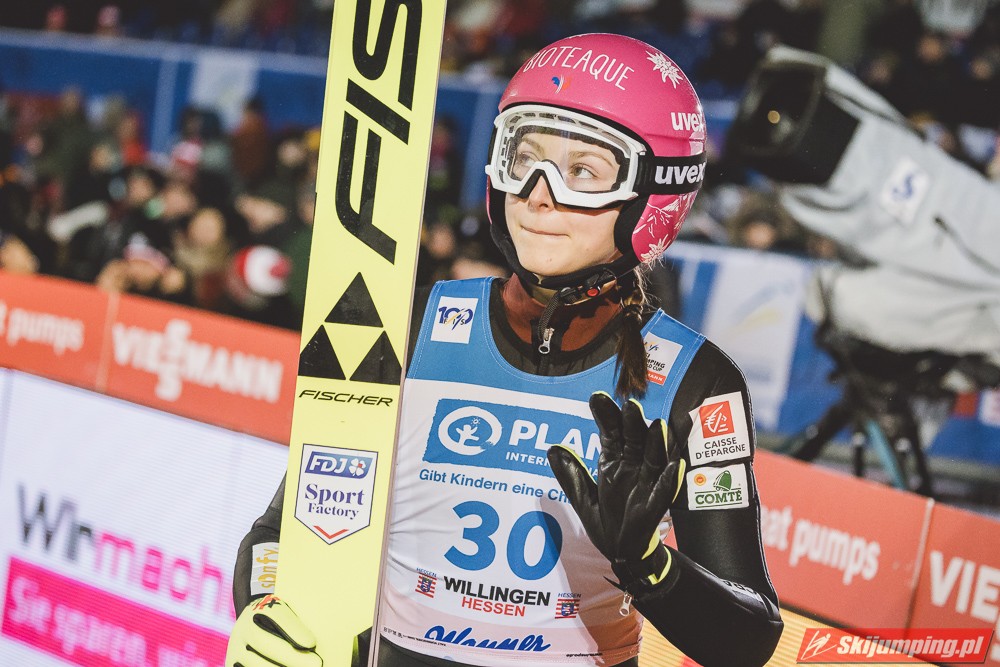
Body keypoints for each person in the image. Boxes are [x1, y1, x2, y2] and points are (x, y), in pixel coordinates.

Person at [226, 33, 783, 667]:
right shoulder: (411, 324)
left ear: (652, 194)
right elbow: (281, 532)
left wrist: (648, 565)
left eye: (582, 171)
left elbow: (750, 638)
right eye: (525, 158)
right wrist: (265, 610)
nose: (540, 193)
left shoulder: (694, 380)